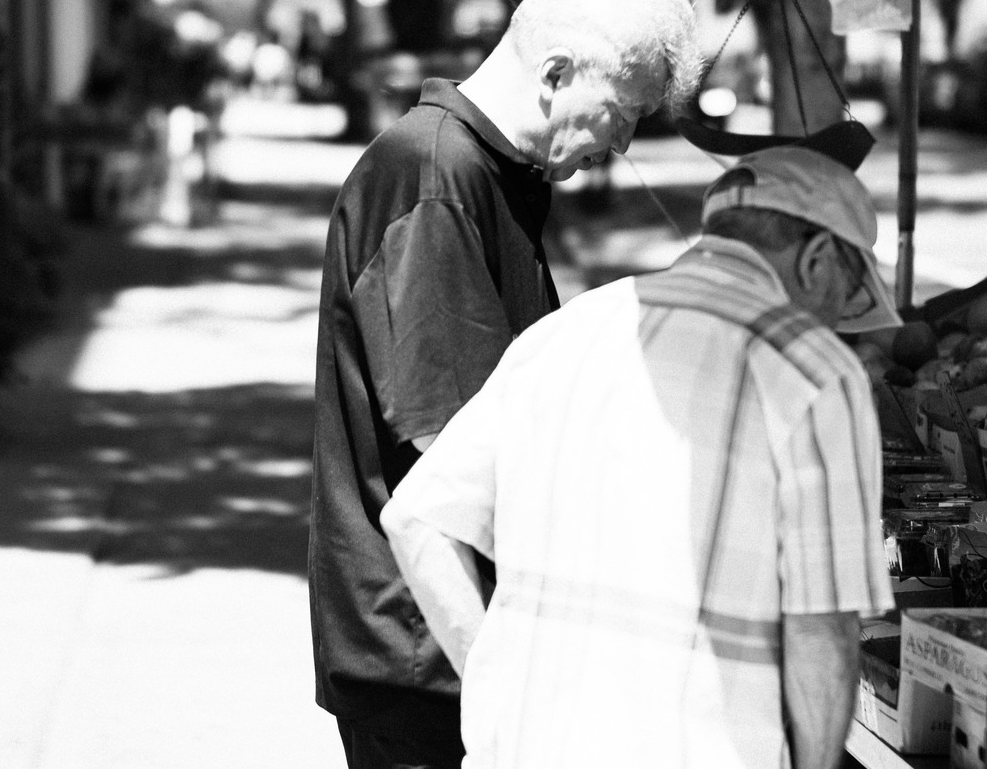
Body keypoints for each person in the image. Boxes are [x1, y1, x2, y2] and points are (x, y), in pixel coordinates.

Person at [380, 145, 902, 769]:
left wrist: (491, 676)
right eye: (844, 299)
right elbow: (822, 630)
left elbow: (416, 518)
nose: (836, 325)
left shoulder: (565, 332)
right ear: (818, 261)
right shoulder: (815, 370)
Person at [309, 0, 704, 769]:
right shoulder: (436, 173)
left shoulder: (488, 170)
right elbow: (458, 441)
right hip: (429, 648)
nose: (627, 140)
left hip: (449, 640)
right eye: (625, 110)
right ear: (556, 71)